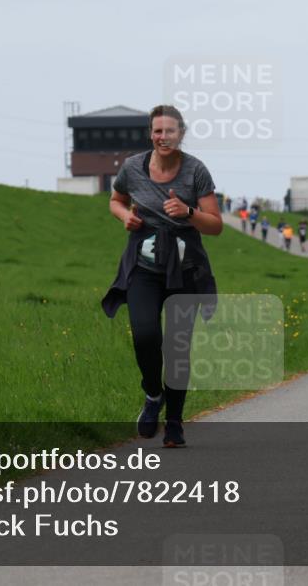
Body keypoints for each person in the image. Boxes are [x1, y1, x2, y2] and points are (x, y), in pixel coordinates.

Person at [103, 104, 223, 448]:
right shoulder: (133, 168)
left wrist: (188, 213)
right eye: (157, 131)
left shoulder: (196, 171)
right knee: (145, 335)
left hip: (186, 271)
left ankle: (174, 424)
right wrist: (125, 216)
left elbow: (215, 226)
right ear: (150, 134)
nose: (163, 136)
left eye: (170, 130)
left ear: (181, 134)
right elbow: (115, 200)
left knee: (178, 348)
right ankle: (153, 394)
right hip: (144, 269)